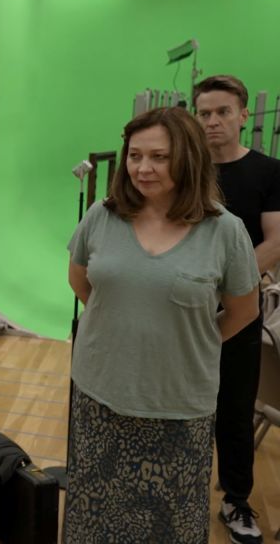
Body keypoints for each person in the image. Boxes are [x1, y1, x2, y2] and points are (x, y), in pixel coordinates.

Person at [64, 107, 260, 542]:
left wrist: (193, 342)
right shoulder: (102, 214)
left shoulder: (225, 231)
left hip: (177, 406)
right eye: (135, 156)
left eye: (158, 157)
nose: (143, 168)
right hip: (100, 397)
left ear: (188, 158)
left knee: (168, 528)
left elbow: (244, 311)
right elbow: (80, 281)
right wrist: (121, 325)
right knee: (94, 522)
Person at [193, 74, 280, 544]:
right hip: (183, 312)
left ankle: (237, 501)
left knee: (233, 408)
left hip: (239, 313)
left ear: (243, 115)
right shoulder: (185, 169)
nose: (213, 122)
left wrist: (231, 292)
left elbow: (276, 241)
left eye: (222, 112)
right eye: (204, 113)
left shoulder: (269, 172)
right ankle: (178, 489)